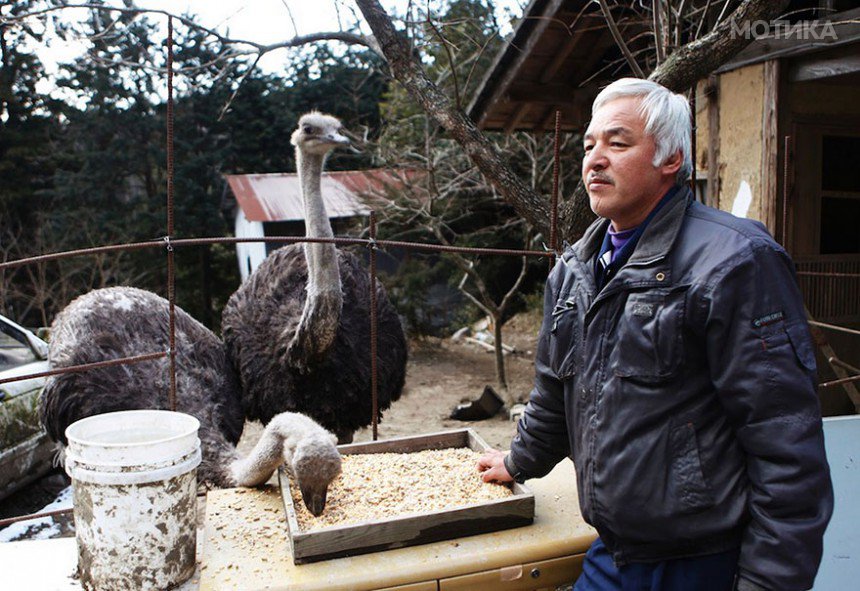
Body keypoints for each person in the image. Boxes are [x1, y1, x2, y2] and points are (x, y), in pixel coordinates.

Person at [478, 78, 833, 591]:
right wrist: (517, 461)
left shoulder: (734, 262)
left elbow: (784, 441)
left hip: (705, 560)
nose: (595, 159)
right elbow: (556, 390)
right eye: (589, 145)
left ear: (671, 158)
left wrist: (769, 582)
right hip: (615, 551)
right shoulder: (576, 268)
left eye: (617, 143)